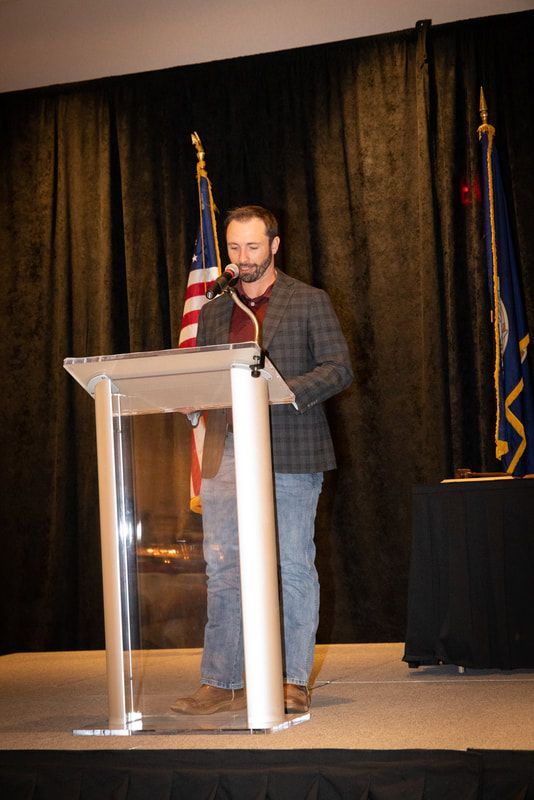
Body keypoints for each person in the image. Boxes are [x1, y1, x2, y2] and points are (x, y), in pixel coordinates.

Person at [171, 205, 353, 715]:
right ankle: (223, 679)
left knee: (292, 565)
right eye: (233, 248)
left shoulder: (308, 300)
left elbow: (339, 369)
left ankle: (291, 679)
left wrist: (284, 391)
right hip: (225, 451)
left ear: (275, 246)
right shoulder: (213, 311)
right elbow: (207, 378)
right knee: (223, 567)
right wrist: (191, 401)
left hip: (292, 449)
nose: (242, 259)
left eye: (252, 248)